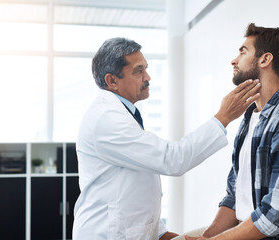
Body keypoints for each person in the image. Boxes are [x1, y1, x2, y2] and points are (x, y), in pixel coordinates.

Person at [72, 37, 261, 240]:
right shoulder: (106, 119)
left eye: (146, 68)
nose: (148, 77)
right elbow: (172, 159)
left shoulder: (121, 114)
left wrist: (161, 234)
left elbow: (134, 189)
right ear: (112, 81)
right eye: (138, 71)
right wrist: (224, 117)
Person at [184, 23, 279, 240]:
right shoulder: (251, 116)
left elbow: (277, 213)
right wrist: (206, 238)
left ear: (264, 59)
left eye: (243, 51)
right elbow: (234, 197)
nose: (234, 60)